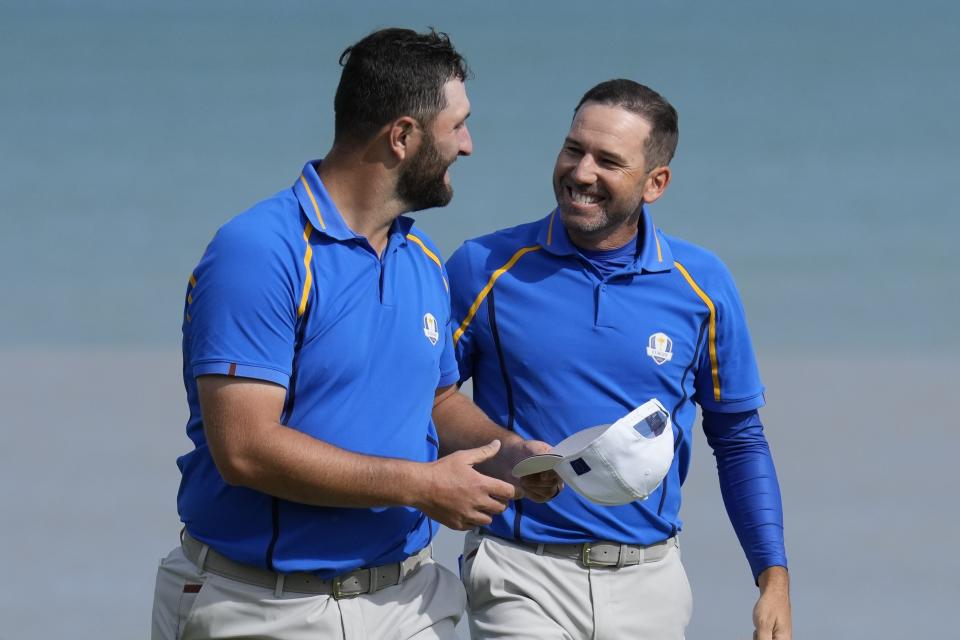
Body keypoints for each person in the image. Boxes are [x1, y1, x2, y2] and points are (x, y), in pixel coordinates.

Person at [151, 28, 559, 640]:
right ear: (402, 136)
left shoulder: (420, 259)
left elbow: (438, 399)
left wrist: (511, 453)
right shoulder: (261, 251)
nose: (468, 146)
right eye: (457, 126)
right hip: (265, 606)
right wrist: (421, 486)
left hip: (411, 600)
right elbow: (243, 448)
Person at [447, 79, 792, 639]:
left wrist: (772, 577)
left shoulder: (701, 286)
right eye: (573, 149)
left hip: (650, 579)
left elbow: (738, 439)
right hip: (518, 570)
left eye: (608, 161)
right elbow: (425, 399)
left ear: (655, 183)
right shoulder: (485, 267)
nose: (581, 173)